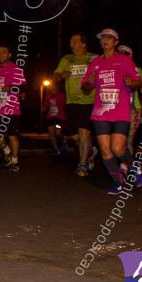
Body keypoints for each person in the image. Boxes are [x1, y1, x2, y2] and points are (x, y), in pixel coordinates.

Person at [81, 29, 142, 195]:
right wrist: (89, 83)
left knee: (118, 149)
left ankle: (133, 167)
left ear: (116, 42)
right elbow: (85, 87)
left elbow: (139, 83)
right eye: (103, 38)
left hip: (120, 112)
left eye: (109, 38)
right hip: (100, 113)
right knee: (105, 150)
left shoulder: (124, 60)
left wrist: (131, 83)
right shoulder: (96, 63)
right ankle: (118, 182)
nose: (105, 40)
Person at [54, 32, 97, 176]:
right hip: (72, 102)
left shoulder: (93, 58)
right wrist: (61, 76)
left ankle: (82, 165)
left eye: (75, 42)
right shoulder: (67, 59)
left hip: (90, 101)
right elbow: (55, 76)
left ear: (84, 43)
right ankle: (90, 152)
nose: (71, 44)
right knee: (77, 138)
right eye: (71, 42)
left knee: (85, 133)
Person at [0, 45, 27, 171]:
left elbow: (24, 88)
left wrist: (11, 88)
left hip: (12, 108)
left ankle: (14, 161)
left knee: (12, 136)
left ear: (9, 55)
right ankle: (7, 150)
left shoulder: (16, 69)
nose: (1, 55)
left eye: (4, 52)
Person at [117, 45, 142, 155]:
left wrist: (141, 88)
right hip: (116, 109)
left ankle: (126, 166)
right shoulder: (113, 68)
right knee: (117, 138)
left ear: (130, 56)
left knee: (128, 139)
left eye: (125, 54)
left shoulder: (137, 70)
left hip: (133, 109)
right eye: (120, 53)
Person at [44, 81, 67, 154]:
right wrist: (43, 108)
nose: (52, 87)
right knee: (51, 132)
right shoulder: (48, 96)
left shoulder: (62, 95)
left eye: (53, 86)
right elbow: (45, 105)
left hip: (59, 117)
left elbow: (67, 105)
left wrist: (62, 107)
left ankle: (63, 140)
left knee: (58, 132)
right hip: (50, 117)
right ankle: (56, 148)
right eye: (51, 86)